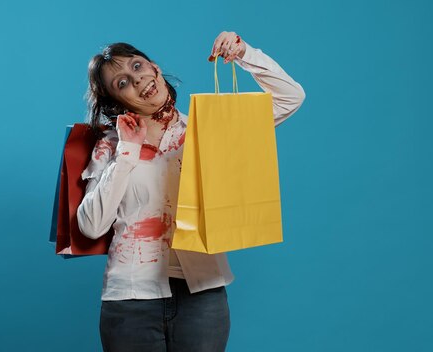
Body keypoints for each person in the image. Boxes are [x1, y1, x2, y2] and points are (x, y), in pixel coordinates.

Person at [77, 31, 305, 352]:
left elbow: (291, 98)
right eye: (123, 83)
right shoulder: (110, 146)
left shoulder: (208, 129)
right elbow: (90, 225)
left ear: (155, 67)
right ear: (117, 101)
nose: (138, 80)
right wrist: (126, 155)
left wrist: (243, 54)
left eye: (138, 66)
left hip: (203, 297)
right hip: (130, 299)